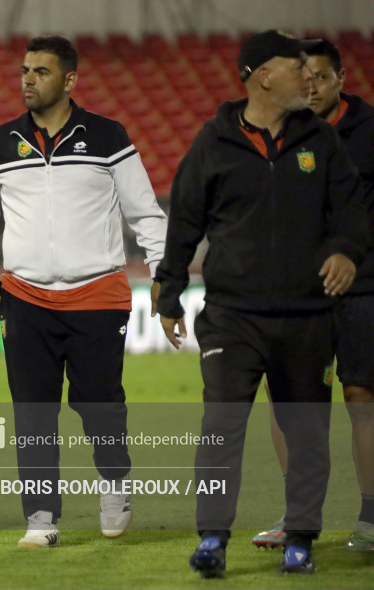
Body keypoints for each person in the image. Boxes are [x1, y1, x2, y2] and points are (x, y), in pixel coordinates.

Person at [154, 30, 370, 577]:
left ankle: (300, 535)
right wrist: (170, 290)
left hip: (307, 316)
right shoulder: (214, 142)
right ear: (262, 75)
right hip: (232, 316)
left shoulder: (321, 141)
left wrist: (345, 251)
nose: (307, 74)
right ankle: (212, 537)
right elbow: (184, 221)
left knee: (306, 431)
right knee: (221, 425)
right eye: (295, 65)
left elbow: (352, 212)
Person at [0, 35, 168, 547]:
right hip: (25, 296)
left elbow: (145, 212)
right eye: (25, 70)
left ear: (70, 80)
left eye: (41, 71)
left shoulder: (107, 136)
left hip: (97, 294)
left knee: (100, 404)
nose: (28, 79)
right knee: (32, 409)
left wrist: (164, 270)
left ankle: (115, 484)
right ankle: (40, 517)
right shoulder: (1, 141)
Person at [251, 38, 374, 553]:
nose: (312, 86)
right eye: (305, 77)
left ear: (342, 78)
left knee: (361, 397)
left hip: (365, 287)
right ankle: (298, 515)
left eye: (322, 77)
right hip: (298, 294)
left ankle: (370, 518)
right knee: (289, 405)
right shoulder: (279, 133)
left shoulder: (370, 131)